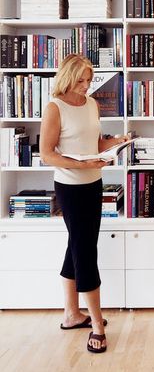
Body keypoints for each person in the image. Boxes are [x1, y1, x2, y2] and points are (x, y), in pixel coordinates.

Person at [40, 54, 128, 353]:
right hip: (71, 187)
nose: (86, 85)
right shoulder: (55, 107)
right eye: (81, 80)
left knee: (77, 245)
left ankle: (72, 314)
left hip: (93, 183)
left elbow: (95, 144)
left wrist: (117, 142)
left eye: (90, 80)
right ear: (67, 77)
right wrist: (83, 165)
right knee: (85, 250)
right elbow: (47, 154)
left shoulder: (91, 104)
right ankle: (97, 324)